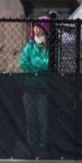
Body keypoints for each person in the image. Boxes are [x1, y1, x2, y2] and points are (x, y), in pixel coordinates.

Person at [19, 16, 51, 155]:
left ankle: (44, 146)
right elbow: (23, 63)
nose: (37, 30)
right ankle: (32, 146)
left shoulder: (50, 46)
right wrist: (37, 65)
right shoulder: (29, 45)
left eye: (40, 27)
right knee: (30, 119)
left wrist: (34, 62)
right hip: (29, 88)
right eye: (35, 27)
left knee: (43, 119)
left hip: (43, 89)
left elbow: (47, 63)